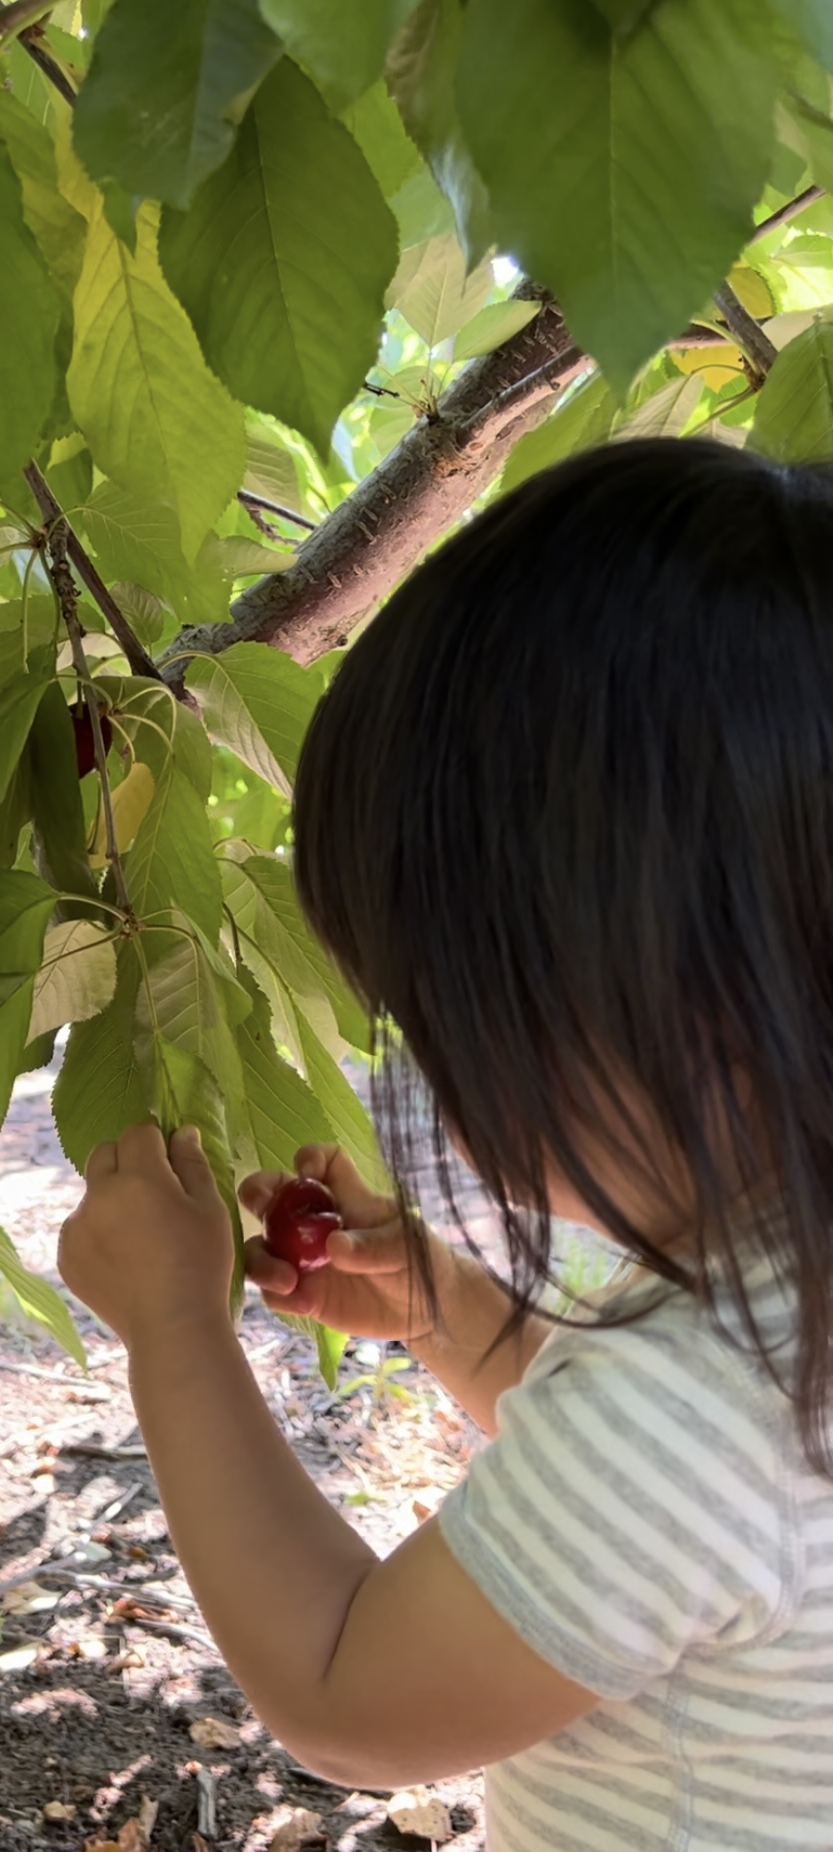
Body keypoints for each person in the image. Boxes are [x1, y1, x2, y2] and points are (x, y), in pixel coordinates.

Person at [58, 437, 833, 1850]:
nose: (429, 1066)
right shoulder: (779, 1293)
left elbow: (344, 1695)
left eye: (450, 1008)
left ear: (680, 1006)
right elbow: (647, 1518)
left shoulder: (689, 1411)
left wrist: (174, 1328)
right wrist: (448, 1312)